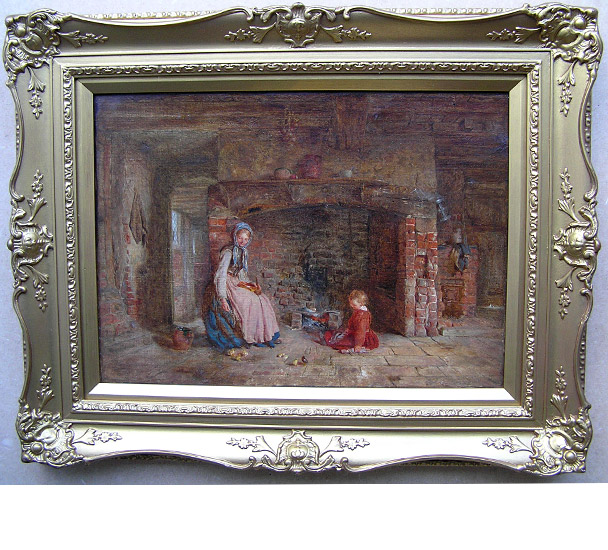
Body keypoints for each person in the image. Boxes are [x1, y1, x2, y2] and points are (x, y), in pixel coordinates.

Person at [204, 222, 280, 351]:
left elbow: (242, 275)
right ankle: (251, 337)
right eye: (240, 238)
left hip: (237, 282)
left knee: (262, 299)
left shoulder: (243, 252)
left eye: (245, 239)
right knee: (250, 301)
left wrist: (251, 286)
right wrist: (222, 298)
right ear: (235, 236)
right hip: (227, 283)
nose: (242, 242)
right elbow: (220, 274)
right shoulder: (228, 252)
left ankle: (265, 336)